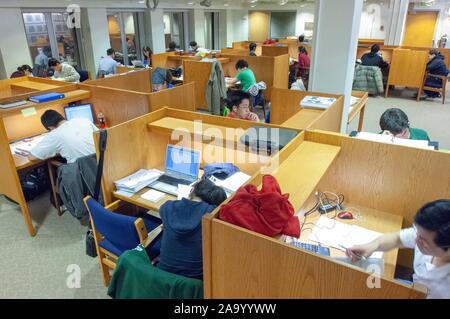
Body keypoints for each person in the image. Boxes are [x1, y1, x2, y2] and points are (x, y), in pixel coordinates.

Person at [346, 199, 450, 299]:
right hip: (414, 288)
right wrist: (372, 246)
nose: (416, 239)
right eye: (417, 232)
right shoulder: (424, 234)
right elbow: (396, 239)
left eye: (423, 240)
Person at [157, 179, 227, 279]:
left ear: (191, 191)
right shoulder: (211, 215)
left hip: (162, 278)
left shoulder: (167, 207)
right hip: (195, 284)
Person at [28, 110, 98, 164]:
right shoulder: (84, 120)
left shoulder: (54, 135)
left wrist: (56, 151)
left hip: (82, 173)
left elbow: (32, 157)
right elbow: (100, 136)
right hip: (102, 164)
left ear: (50, 127)